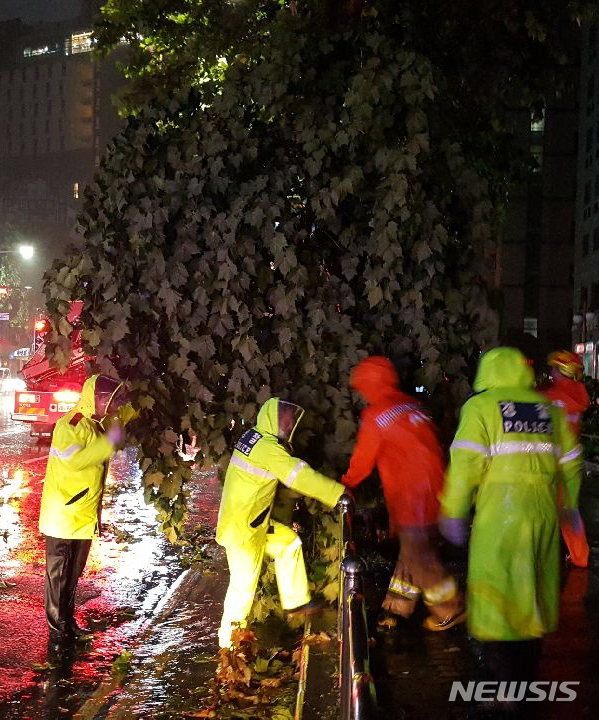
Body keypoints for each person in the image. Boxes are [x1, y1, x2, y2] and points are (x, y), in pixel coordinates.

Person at [439, 347, 582, 685]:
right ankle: (526, 678)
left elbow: (465, 466)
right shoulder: (548, 408)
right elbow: (573, 462)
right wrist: (571, 507)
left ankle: (504, 689)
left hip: (498, 521)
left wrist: (453, 511)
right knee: (532, 592)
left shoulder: (481, 408)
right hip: (542, 515)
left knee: (496, 597)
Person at [342, 356, 465, 631]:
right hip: (437, 493)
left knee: (422, 561)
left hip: (412, 499)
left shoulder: (377, 415)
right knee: (413, 553)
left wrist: (346, 484)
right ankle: (396, 608)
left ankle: (450, 608)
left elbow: (363, 461)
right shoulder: (413, 405)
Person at [216, 397, 345, 648]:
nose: (289, 424)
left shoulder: (256, 438)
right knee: (242, 589)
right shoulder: (267, 448)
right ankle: (228, 649)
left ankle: (296, 602)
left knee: (288, 543)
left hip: (252, 524)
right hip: (244, 531)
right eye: (285, 419)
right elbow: (298, 476)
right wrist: (337, 493)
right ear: (272, 418)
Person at [39, 374, 126, 648]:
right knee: (58, 578)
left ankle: (67, 623)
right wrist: (107, 443)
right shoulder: (71, 424)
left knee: (71, 576)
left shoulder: (92, 424)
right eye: (106, 401)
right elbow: (75, 461)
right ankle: (57, 634)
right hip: (64, 516)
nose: (109, 406)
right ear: (94, 399)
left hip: (80, 515)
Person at [540, 350, 590, 567]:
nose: (551, 372)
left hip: (549, 461)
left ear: (561, 370)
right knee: (570, 511)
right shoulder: (579, 394)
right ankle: (580, 556)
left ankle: (544, 558)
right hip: (572, 462)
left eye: (554, 368)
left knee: (543, 510)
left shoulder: (550, 396)